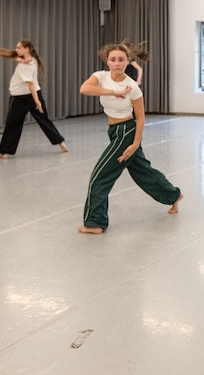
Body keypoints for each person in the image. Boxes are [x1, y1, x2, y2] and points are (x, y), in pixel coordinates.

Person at [78, 42, 182, 234]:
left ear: (128, 61)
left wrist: (135, 144)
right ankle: (173, 195)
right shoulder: (100, 76)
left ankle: (95, 223)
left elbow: (140, 118)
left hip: (125, 132)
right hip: (113, 131)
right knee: (142, 171)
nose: (117, 63)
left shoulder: (132, 86)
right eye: (113, 59)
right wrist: (113, 92)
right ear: (107, 61)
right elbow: (84, 89)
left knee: (100, 177)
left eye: (121, 59)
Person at [0, 40, 68, 158]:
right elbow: (17, 57)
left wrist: (37, 101)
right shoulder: (33, 60)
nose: (16, 50)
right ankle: (61, 143)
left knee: (14, 123)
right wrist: (19, 59)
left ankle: (5, 152)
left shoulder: (25, 65)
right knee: (44, 120)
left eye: (19, 48)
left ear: (27, 49)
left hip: (21, 97)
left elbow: (30, 84)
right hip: (31, 94)